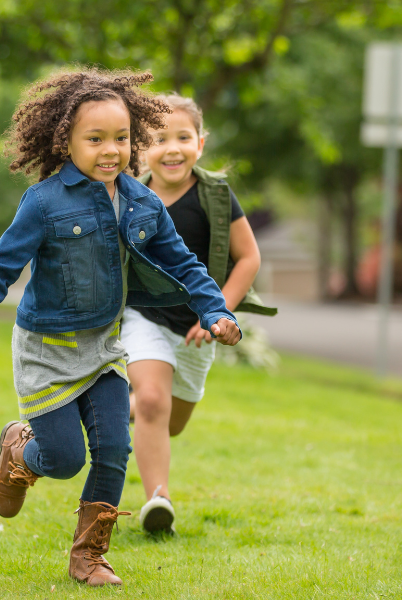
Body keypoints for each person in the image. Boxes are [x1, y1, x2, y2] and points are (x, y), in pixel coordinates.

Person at [0, 69, 242, 587]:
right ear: (66, 141)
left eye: (122, 138)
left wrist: (215, 310)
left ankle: (89, 556)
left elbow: (184, 262)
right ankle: (20, 451)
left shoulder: (141, 201)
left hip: (105, 347)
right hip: (47, 350)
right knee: (62, 460)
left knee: (113, 446)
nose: (111, 150)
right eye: (96, 139)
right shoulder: (43, 203)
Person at [124, 94, 277, 534]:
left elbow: (248, 258)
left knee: (171, 423)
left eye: (183, 137)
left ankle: (125, 406)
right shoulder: (127, 195)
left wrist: (215, 313)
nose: (172, 148)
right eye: (158, 138)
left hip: (196, 329)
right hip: (141, 317)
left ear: (201, 143)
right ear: (140, 148)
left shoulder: (215, 196)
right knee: (154, 400)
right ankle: (159, 499)